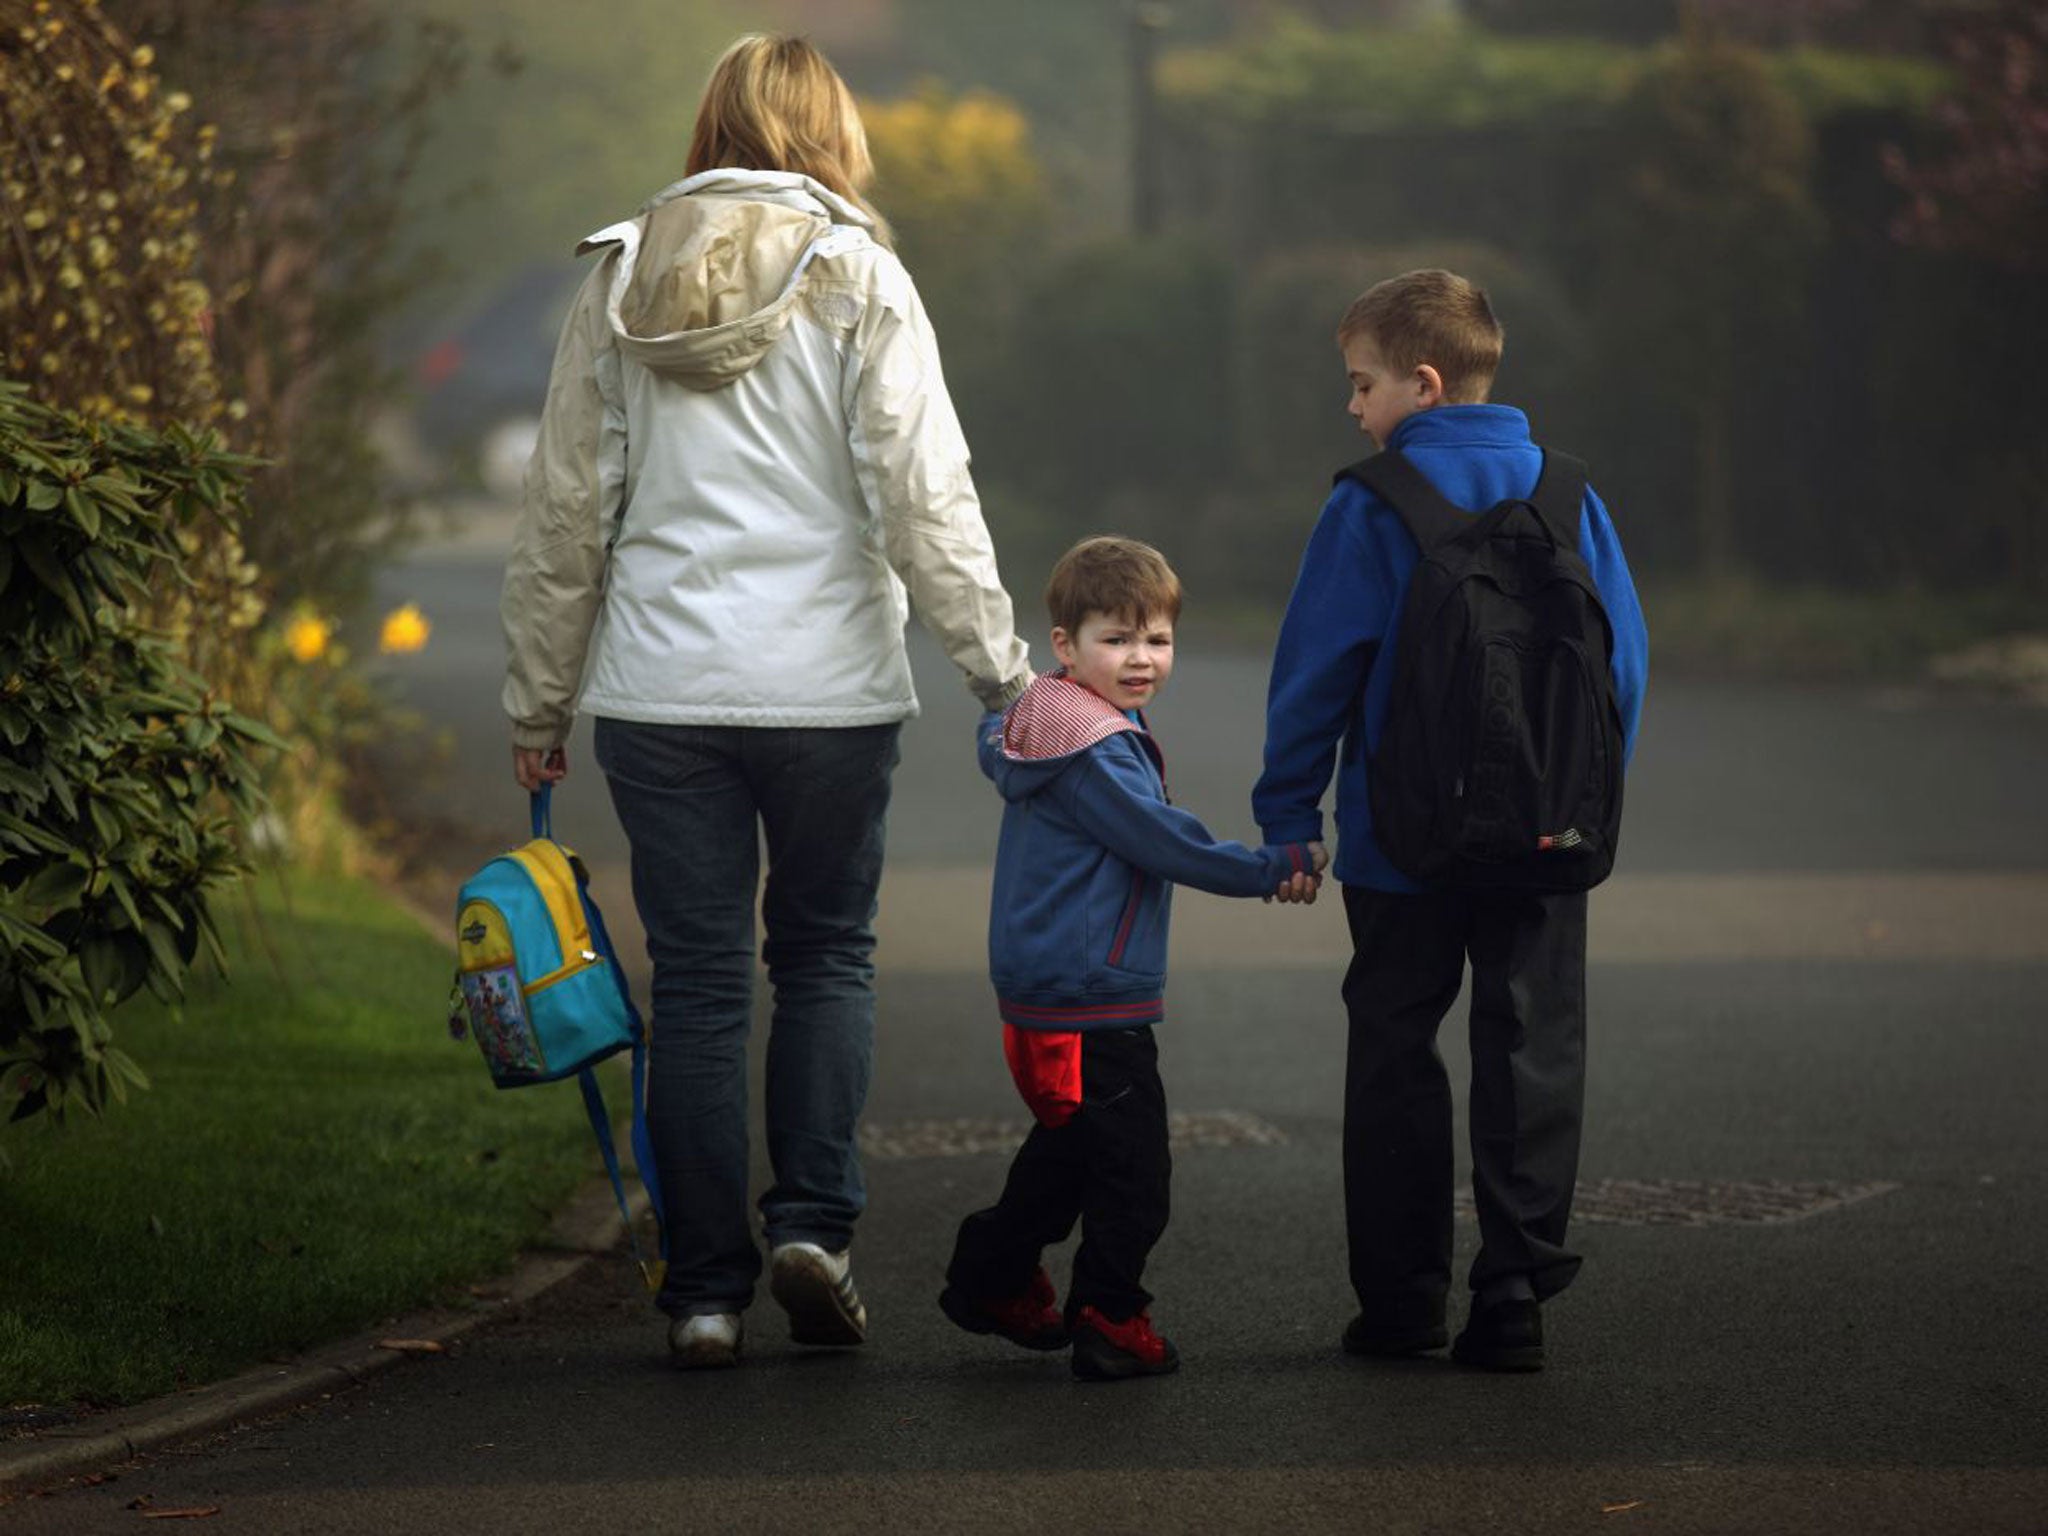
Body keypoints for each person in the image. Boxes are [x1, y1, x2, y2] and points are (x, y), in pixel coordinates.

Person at [500, 34, 1035, 1370]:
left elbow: (570, 509)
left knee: (694, 987)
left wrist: (537, 695)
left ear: (711, 125)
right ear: (834, 133)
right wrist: (1001, 673)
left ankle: (704, 1292)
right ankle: (813, 1227)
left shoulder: (624, 279)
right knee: (826, 957)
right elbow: (924, 495)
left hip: (663, 693)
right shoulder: (861, 274)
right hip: (829, 696)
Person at [1254, 269, 1648, 1372]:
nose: (1352, 407)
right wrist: (1574, 796)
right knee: (1530, 1048)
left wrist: (1291, 811)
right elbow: (1624, 663)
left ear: (1420, 386)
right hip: (1544, 841)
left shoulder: (1369, 503)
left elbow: (1315, 674)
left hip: (1400, 843)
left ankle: (1399, 1303)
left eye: (1361, 383)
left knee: (1393, 1050)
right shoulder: (1569, 494)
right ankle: (1514, 1294)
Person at [940, 536, 1325, 1381]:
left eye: (1157, 639)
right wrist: (1271, 868)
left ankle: (993, 1275)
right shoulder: (1091, 746)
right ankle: (1111, 1317)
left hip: (1057, 984)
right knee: (1134, 1171)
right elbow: (1164, 842)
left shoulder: (1061, 721)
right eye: (1116, 639)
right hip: (1088, 994)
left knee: (1073, 1150)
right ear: (1065, 646)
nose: (1141, 658)